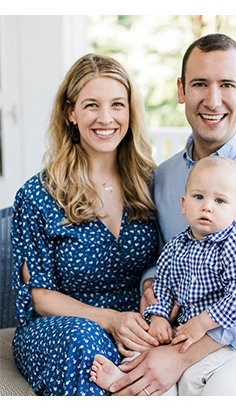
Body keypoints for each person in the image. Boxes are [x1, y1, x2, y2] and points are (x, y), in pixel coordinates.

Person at [106, 33, 236, 396]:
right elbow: (164, 255)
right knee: (139, 393)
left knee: (222, 396)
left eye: (227, 84)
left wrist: (182, 357)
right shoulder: (163, 178)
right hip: (183, 322)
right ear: (181, 90)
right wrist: (152, 289)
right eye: (199, 84)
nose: (213, 100)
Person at [11, 54, 162, 396]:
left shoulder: (153, 184)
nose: (106, 118)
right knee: (84, 342)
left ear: (130, 112)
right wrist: (111, 319)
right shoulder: (38, 195)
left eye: (117, 105)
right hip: (63, 327)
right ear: (71, 113)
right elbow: (39, 296)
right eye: (91, 105)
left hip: (138, 325)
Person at [90, 157, 236, 394]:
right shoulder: (176, 246)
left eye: (220, 200)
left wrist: (202, 323)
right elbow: (162, 285)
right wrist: (159, 317)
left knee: (196, 378)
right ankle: (124, 375)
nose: (207, 207)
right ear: (183, 203)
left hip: (218, 334)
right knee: (146, 352)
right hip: (181, 328)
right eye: (198, 197)